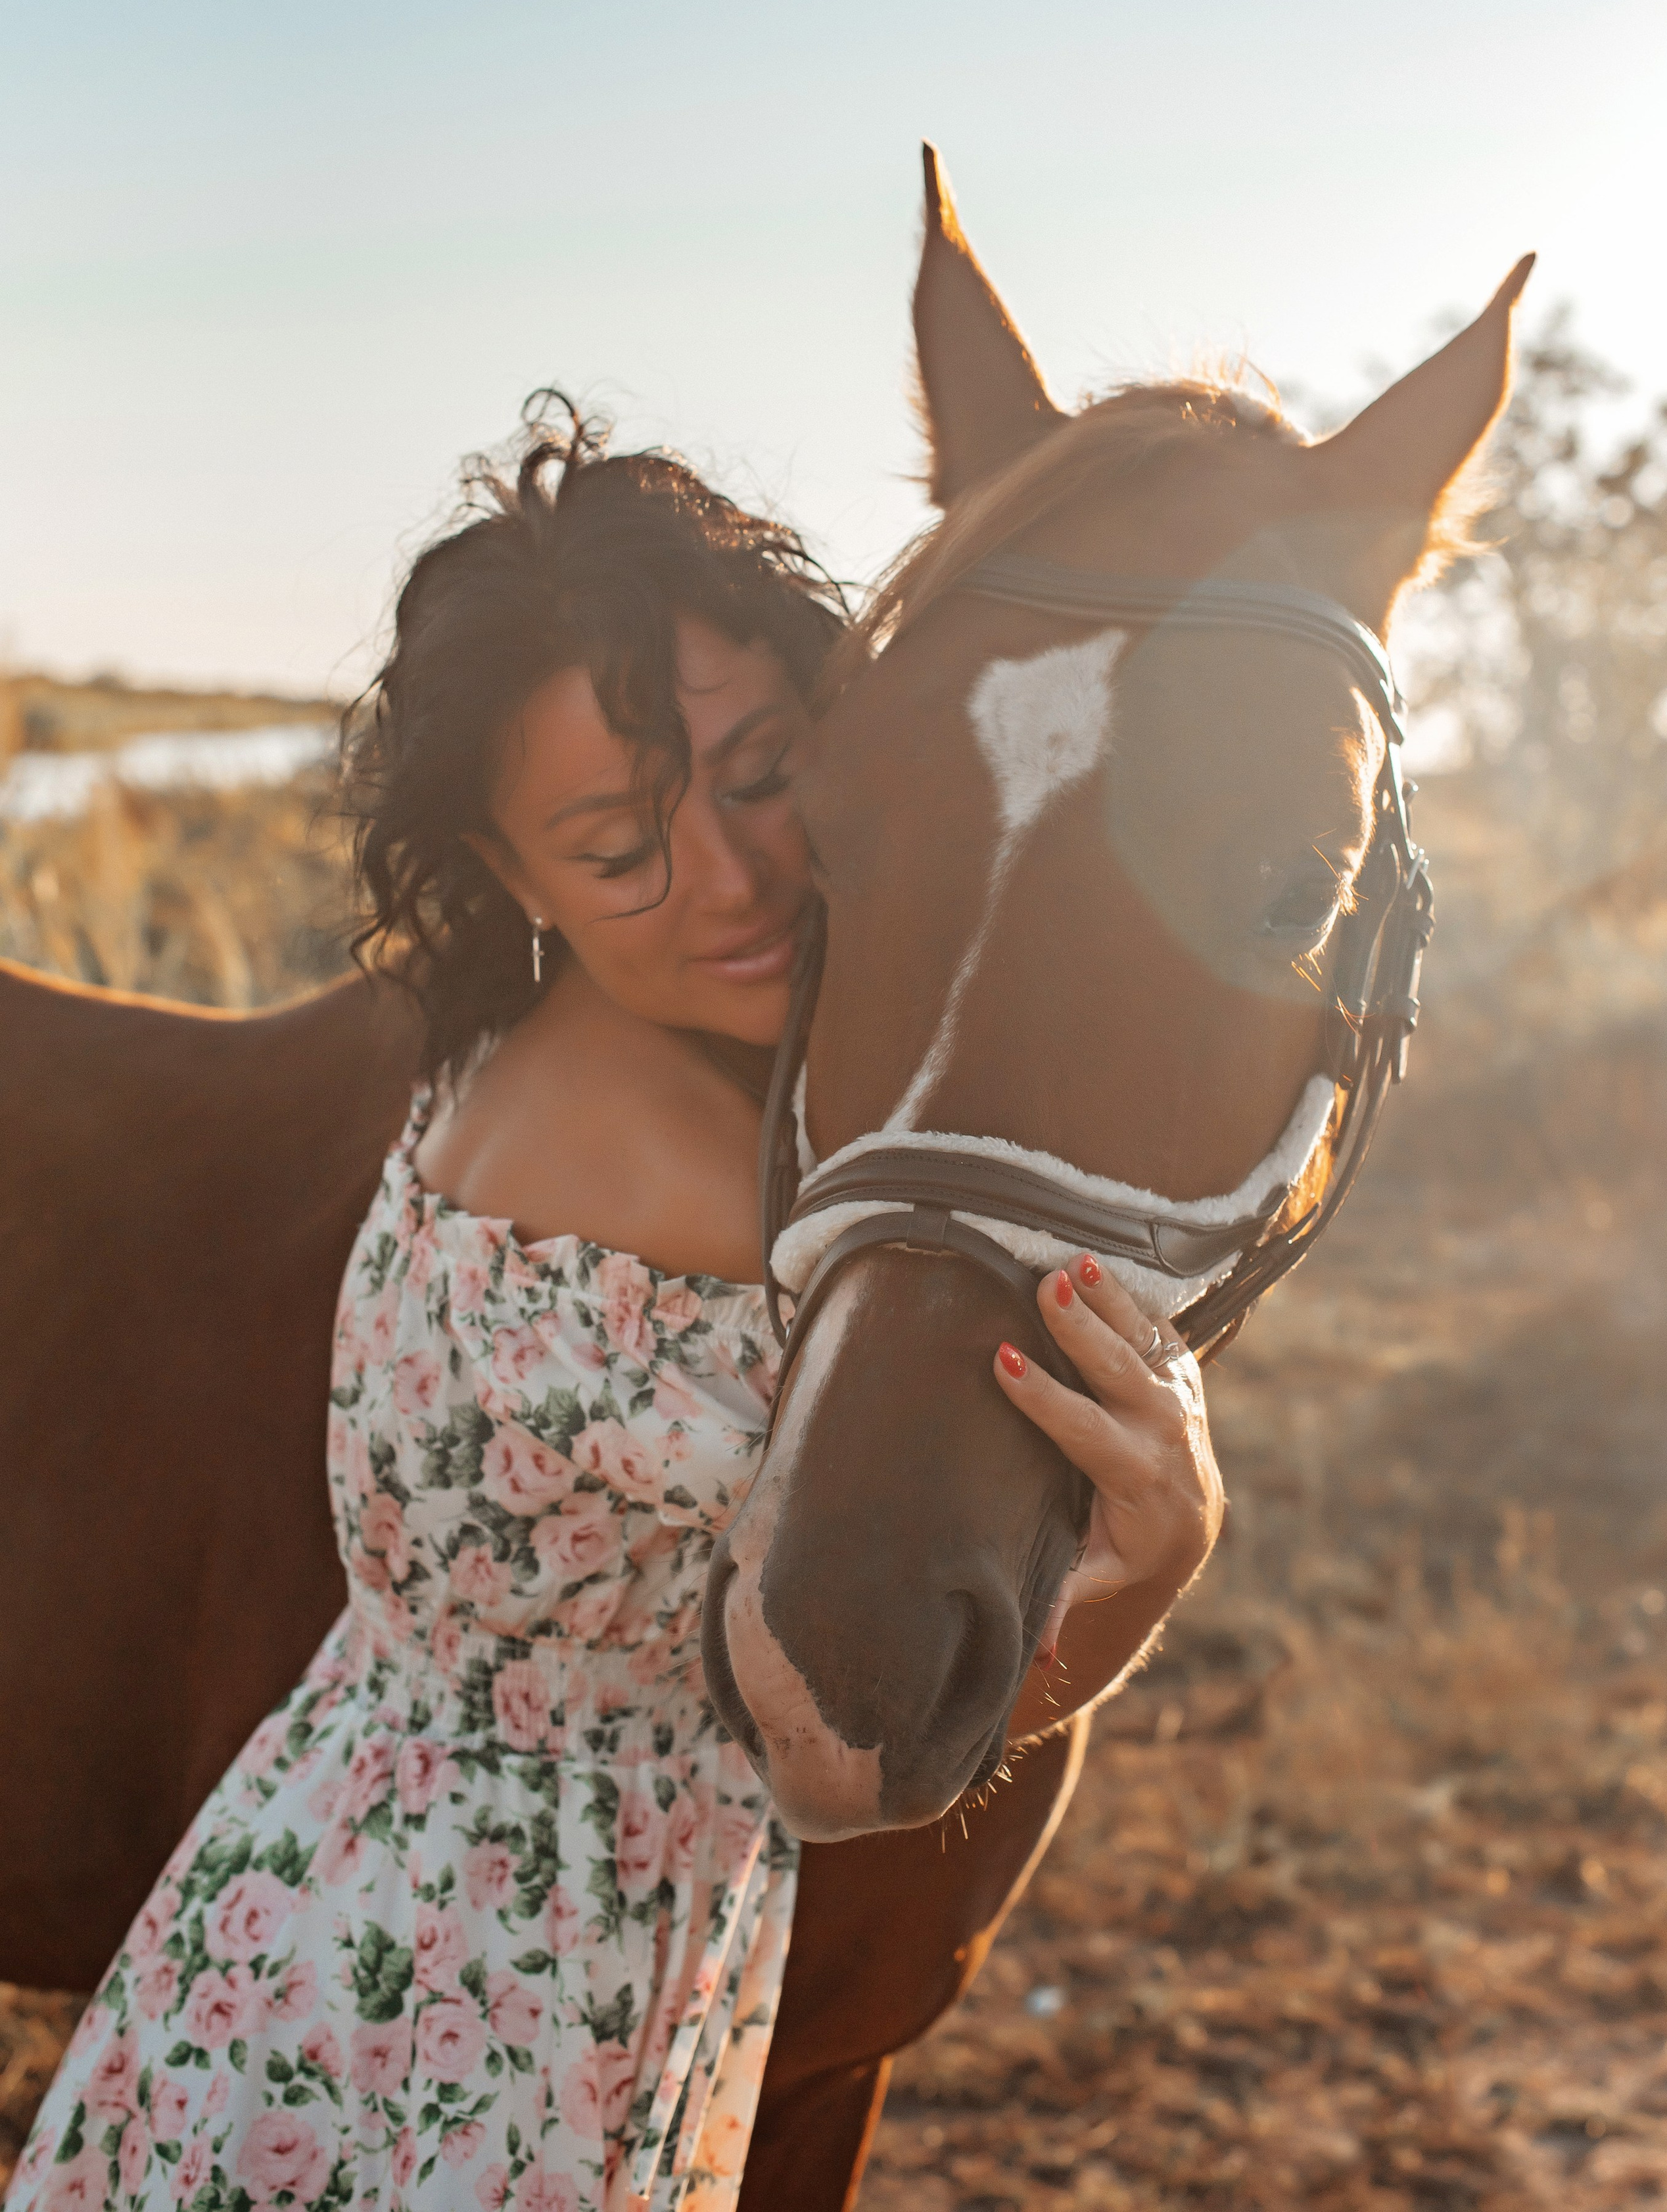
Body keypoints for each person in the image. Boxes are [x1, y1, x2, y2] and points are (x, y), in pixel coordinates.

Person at [7, 402, 1223, 2212]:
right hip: (488, 2058)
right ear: (511, 876)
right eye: (618, 845)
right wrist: (1156, 1560)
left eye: (760, 774)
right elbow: (841, 1756)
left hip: (285, 1961)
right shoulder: (700, 1203)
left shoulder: (491, 1050)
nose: (729, 880)